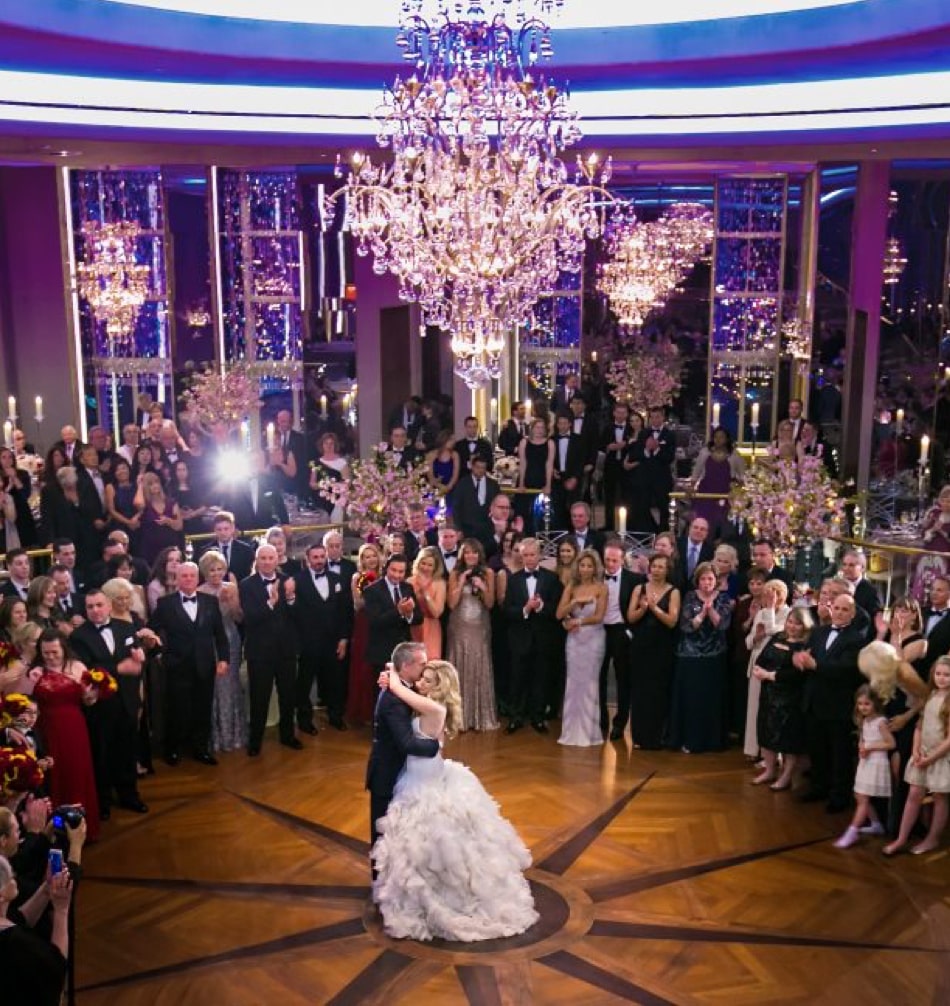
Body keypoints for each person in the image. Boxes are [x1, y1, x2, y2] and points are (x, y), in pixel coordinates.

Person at [371, 658, 538, 941]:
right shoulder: (426, 704)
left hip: (424, 783)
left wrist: (391, 677)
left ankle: (443, 899)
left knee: (431, 843)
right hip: (422, 775)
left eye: (428, 680)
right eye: (421, 678)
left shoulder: (435, 708)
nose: (421, 683)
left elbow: (402, 692)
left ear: (440, 688)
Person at [69, 595, 149, 816]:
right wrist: (118, 669)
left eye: (99, 605)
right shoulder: (78, 636)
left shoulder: (126, 627)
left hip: (127, 700)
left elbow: (136, 661)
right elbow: (86, 669)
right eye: (90, 606)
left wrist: (141, 657)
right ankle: (102, 803)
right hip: (100, 706)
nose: (95, 610)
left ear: (109, 606)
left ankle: (129, 796)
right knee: (101, 754)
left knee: (127, 751)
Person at [150, 562, 230, 765]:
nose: (187, 579)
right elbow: (151, 631)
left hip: (205, 665)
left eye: (191, 576)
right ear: (176, 579)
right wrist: (160, 655)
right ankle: (172, 749)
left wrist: (224, 659)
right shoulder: (165, 603)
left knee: (203, 709)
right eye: (183, 576)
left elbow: (220, 635)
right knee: (177, 710)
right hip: (177, 666)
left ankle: (201, 749)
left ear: (197, 578)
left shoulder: (210, 602)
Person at [795, 592, 866, 812]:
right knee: (817, 750)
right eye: (836, 607)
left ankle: (839, 797)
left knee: (839, 754)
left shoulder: (856, 639)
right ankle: (818, 787)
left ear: (852, 614)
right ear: (830, 608)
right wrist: (799, 658)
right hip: (814, 700)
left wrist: (815, 665)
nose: (839, 612)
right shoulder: (818, 632)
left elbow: (846, 669)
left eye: (845, 609)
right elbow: (806, 655)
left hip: (838, 704)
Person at [366, 641, 440, 848]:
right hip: (386, 776)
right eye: (422, 664)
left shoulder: (405, 688)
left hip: (403, 774)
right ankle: (379, 880)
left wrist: (390, 673)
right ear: (406, 666)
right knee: (382, 839)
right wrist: (436, 747)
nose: (426, 668)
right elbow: (406, 743)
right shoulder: (393, 701)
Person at [31, 630, 100, 838]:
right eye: (46, 653)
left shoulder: (77, 667)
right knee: (54, 777)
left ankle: (81, 829)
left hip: (74, 727)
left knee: (76, 772)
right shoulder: (36, 671)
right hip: (47, 730)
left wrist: (95, 691)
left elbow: (89, 700)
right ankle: (58, 829)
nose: (50, 657)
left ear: (63, 648)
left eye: (54, 652)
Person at [883, 656, 950, 856]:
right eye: (938, 674)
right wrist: (915, 750)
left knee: (939, 797)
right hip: (922, 754)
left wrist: (931, 758)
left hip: (940, 756)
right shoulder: (930, 696)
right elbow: (919, 727)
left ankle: (933, 838)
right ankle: (901, 838)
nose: (942, 678)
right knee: (913, 795)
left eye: (947, 675)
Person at [240, 544, 301, 756]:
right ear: (257, 561)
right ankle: (255, 741)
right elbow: (249, 618)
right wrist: (270, 602)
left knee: (288, 696)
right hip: (260, 652)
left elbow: (298, 618)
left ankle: (288, 736)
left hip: (285, 650)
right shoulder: (246, 585)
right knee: (259, 698)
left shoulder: (288, 581)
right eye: (262, 558)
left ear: (277, 560)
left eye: (270, 558)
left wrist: (291, 598)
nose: (266, 562)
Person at [670, 561, 733, 753]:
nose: (707, 582)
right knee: (691, 698)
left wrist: (710, 609)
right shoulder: (689, 597)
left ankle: (711, 741)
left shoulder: (723, 598)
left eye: (710, 579)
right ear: (698, 581)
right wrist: (701, 614)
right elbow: (687, 626)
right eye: (704, 579)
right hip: (690, 655)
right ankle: (689, 740)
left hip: (714, 655)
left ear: (716, 581)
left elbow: (722, 625)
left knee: (711, 699)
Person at [291, 543, 353, 734]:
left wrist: (344, 639)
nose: (319, 560)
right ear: (308, 560)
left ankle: (336, 717)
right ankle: (304, 720)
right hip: (308, 643)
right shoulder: (297, 581)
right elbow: (292, 615)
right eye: (315, 557)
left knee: (335, 681)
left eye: (321, 556)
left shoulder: (337, 579)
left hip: (333, 641)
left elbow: (345, 611)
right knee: (305, 684)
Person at [503, 538, 562, 734]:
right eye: (525, 555)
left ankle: (538, 717)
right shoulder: (513, 579)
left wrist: (542, 607)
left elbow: (557, 609)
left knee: (540, 679)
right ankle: (516, 717)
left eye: (532, 555)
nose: (528, 558)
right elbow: (507, 610)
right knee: (517, 679)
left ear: (540, 556)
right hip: (519, 639)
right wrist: (526, 609)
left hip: (543, 638)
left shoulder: (552, 579)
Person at [752, 607, 813, 791]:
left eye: (797, 623)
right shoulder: (777, 637)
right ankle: (770, 770)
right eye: (790, 621)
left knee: (787, 739)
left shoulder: (806, 645)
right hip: (769, 694)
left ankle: (786, 776)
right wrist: (759, 671)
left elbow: (797, 674)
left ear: (805, 625)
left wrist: (770, 675)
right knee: (766, 732)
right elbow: (761, 659)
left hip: (790, 697)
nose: (792, 626)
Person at [0, 854, 73, 1006]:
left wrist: (46, 888)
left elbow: (20, 919)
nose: (14, 877)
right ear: (1, 896)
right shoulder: (19, 946)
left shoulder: (8, 924)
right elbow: (55, 974)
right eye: (10, 875)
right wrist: (61, 909)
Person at [627, 552, 681, 749]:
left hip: (662, 647)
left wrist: (654, 608)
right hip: (641, 647)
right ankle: (639, 737)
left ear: (667, 570)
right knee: (640, 692)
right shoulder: (639, 588)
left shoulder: (673, 591)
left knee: (658, 692)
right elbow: (631, 617)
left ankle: (658, 737)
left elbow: (672, 621)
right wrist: (642, 608)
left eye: (661, 567)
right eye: (654, 566)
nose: (657, 570)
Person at [832, 685, 895, 848]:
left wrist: (870, 747)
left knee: (863, 799)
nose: (863, 707)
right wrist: (862, 747)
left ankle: (852, 832)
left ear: (875, 703)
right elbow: (863, 738)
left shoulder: (881, 722)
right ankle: (876, 824)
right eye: (860, 704)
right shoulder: (864, 720)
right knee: (859, 796)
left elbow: (890, 743)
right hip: (866, 762)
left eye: (867, 704)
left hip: (876, 763)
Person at [197, 550, 247, 754]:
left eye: (220, 569)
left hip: (232, 639)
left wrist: (231, 603)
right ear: (204, 572)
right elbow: (201, 624)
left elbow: (239, 618)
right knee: (215, 687)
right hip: (210, 642)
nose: (216, 574)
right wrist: (217, 603)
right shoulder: (200, 590)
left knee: (231, 684)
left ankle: (234, 735)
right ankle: (215, 737)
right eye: (212, 570)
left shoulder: (232, 587)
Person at [556, 549, 606, 746]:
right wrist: (574, 602)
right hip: (574, 642)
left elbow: (599, 616)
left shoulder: (601, 588)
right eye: (582, 565)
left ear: (595, 568)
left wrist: (579, 622)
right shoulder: (570, 586)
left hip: (593, 639)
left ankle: (589, 733)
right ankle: (570, 732)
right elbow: (559, 614)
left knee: (590, 684)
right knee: (573, 684)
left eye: (589, 565)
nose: (585, 569)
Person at [446, 538, 496, 732]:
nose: (471, 556)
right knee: (459, 665)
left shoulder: (488, 572)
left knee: (478, 664)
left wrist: (483, 587)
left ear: (479, 554)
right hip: (459, 626)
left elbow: (491, 604)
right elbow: (451, 604)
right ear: (462, 555)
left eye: (474, 552)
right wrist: (460, 582)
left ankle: (478, 717)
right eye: (467, 552)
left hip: (480, 626)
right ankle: (460, 719)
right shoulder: (455, 573)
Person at [744, 579, 790, 765]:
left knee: (771, 711)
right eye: (766, 595)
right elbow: (748, 642)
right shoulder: (761, 612)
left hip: (775, 666)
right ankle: (752, 749)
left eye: (772, 595)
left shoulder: (789, 613)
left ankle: (770, 755)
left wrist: (770, 611)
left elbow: (776, 632)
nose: (768, 599)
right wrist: (758, 635)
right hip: (757, 662)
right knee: (754, 708)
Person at [599, 542, 641, 742]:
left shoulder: (634, 579)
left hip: (620, 631)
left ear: (622, 559)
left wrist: (629, 632)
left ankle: (620, 722)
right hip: (597, 630)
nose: (610, 564)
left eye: (614, 560)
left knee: (623, 677)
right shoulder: (596, 577)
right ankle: (601, 721)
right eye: (607, 559)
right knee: (598, 676)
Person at [363, 554, 423, 677]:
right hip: (381, 653)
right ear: (386, 568)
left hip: (405, 653)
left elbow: (419, 618)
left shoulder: (408, 588)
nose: (397, 575)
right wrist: (398, 611)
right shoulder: (372, 590)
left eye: (401, 571)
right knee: (382, 692)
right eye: (393, 570)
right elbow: (374, 622)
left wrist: (409, 613)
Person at [346, 543, 382, 727]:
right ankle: (363, 712)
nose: (371, 559)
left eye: (373, 555)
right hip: (364, 623)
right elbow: (358, 603)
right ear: (362, 560)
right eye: (367, 556)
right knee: (363, 665)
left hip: (382, 623)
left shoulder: (386, 575)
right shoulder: (357, 577)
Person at [690, 427, 744, 535]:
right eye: (716, 437)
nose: (718, 440)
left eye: (721, 437)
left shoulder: (734, 455)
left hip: (726, 494)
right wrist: (692, 486)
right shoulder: (705, 452)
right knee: (704, 521)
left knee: (724, 523)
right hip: (706, 493)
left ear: (727, 439)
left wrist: (739, 490)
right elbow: (696, 471)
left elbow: (742, 475)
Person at [134, 472, 183, 566]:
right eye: (150, 484)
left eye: (157, 482)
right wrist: (140, 485)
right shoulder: (145, 505)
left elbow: (179, 526)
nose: (155, 485)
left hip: (170, 549)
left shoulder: (171, 502)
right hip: (150, 550)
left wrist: (168, 521)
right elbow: (138, 503)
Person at [515, 418, 553, 535]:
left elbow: (549, 464)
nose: (539, 430)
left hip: (541, 481)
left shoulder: (550, 443)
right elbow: (523, 463)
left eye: (542, 428)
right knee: (523, 513)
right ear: (532, 429)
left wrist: (548, 485)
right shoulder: (524, 442)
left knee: (540, 515)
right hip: (527, 480)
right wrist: (521, 484)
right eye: (537, 427)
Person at [640, 406, 676, 531]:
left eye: (658, 417)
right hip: (646, 477)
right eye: (652, 417)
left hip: (662, 478)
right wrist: (646, 449)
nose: (655, 420)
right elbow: (639, 455)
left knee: (663, 508)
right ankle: (650, 531)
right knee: (643, 506)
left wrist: (656, 449)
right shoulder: (644, 433)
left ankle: (663, 533)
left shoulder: (670, 435)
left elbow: (670, 457)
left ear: (663, 418)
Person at [408, 547, 446, 661]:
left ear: (435, 567)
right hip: (413, 627)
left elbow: (437, 613)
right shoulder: (409, 581)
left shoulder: (440, 583)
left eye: (430, 565)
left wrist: (425, 593)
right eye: (423, 563)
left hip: (431, 628)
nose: (425, 567)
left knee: (430, 664)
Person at [199, 511, 254, 582]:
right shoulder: (205, 551)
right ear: (214, 530)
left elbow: (249, 576)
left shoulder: (246, 550)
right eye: (219, 529)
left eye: (226, 529)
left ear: (232, 528)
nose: (223, 533)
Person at [0, 447, 37, 549]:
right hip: (5, 515)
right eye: (3, 457)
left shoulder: (22, 474)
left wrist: (14, 478)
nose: (7, 460)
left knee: (25, 545)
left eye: (10, 457)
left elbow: (25, 494)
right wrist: (8, 488)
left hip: (21, 512)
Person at [146, 545, 182, 614]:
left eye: (178, 561)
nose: (174, 563)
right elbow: (157, 612)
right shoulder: (155, 586)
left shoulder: (183, 582)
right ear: (163, 562)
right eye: (170, 560)